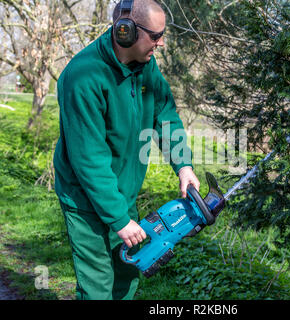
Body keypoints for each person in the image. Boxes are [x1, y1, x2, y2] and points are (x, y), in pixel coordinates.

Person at [53, 0, 200, 300]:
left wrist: (183, 166)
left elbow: (164, 115)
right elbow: (89, 160)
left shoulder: (146, 65)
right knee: (97, 286)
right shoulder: (83, 77)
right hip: (84, 199)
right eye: (156, 36)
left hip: (122, 191)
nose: (161, 43)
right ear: (126, 31)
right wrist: (119, 219)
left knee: (127, 275)